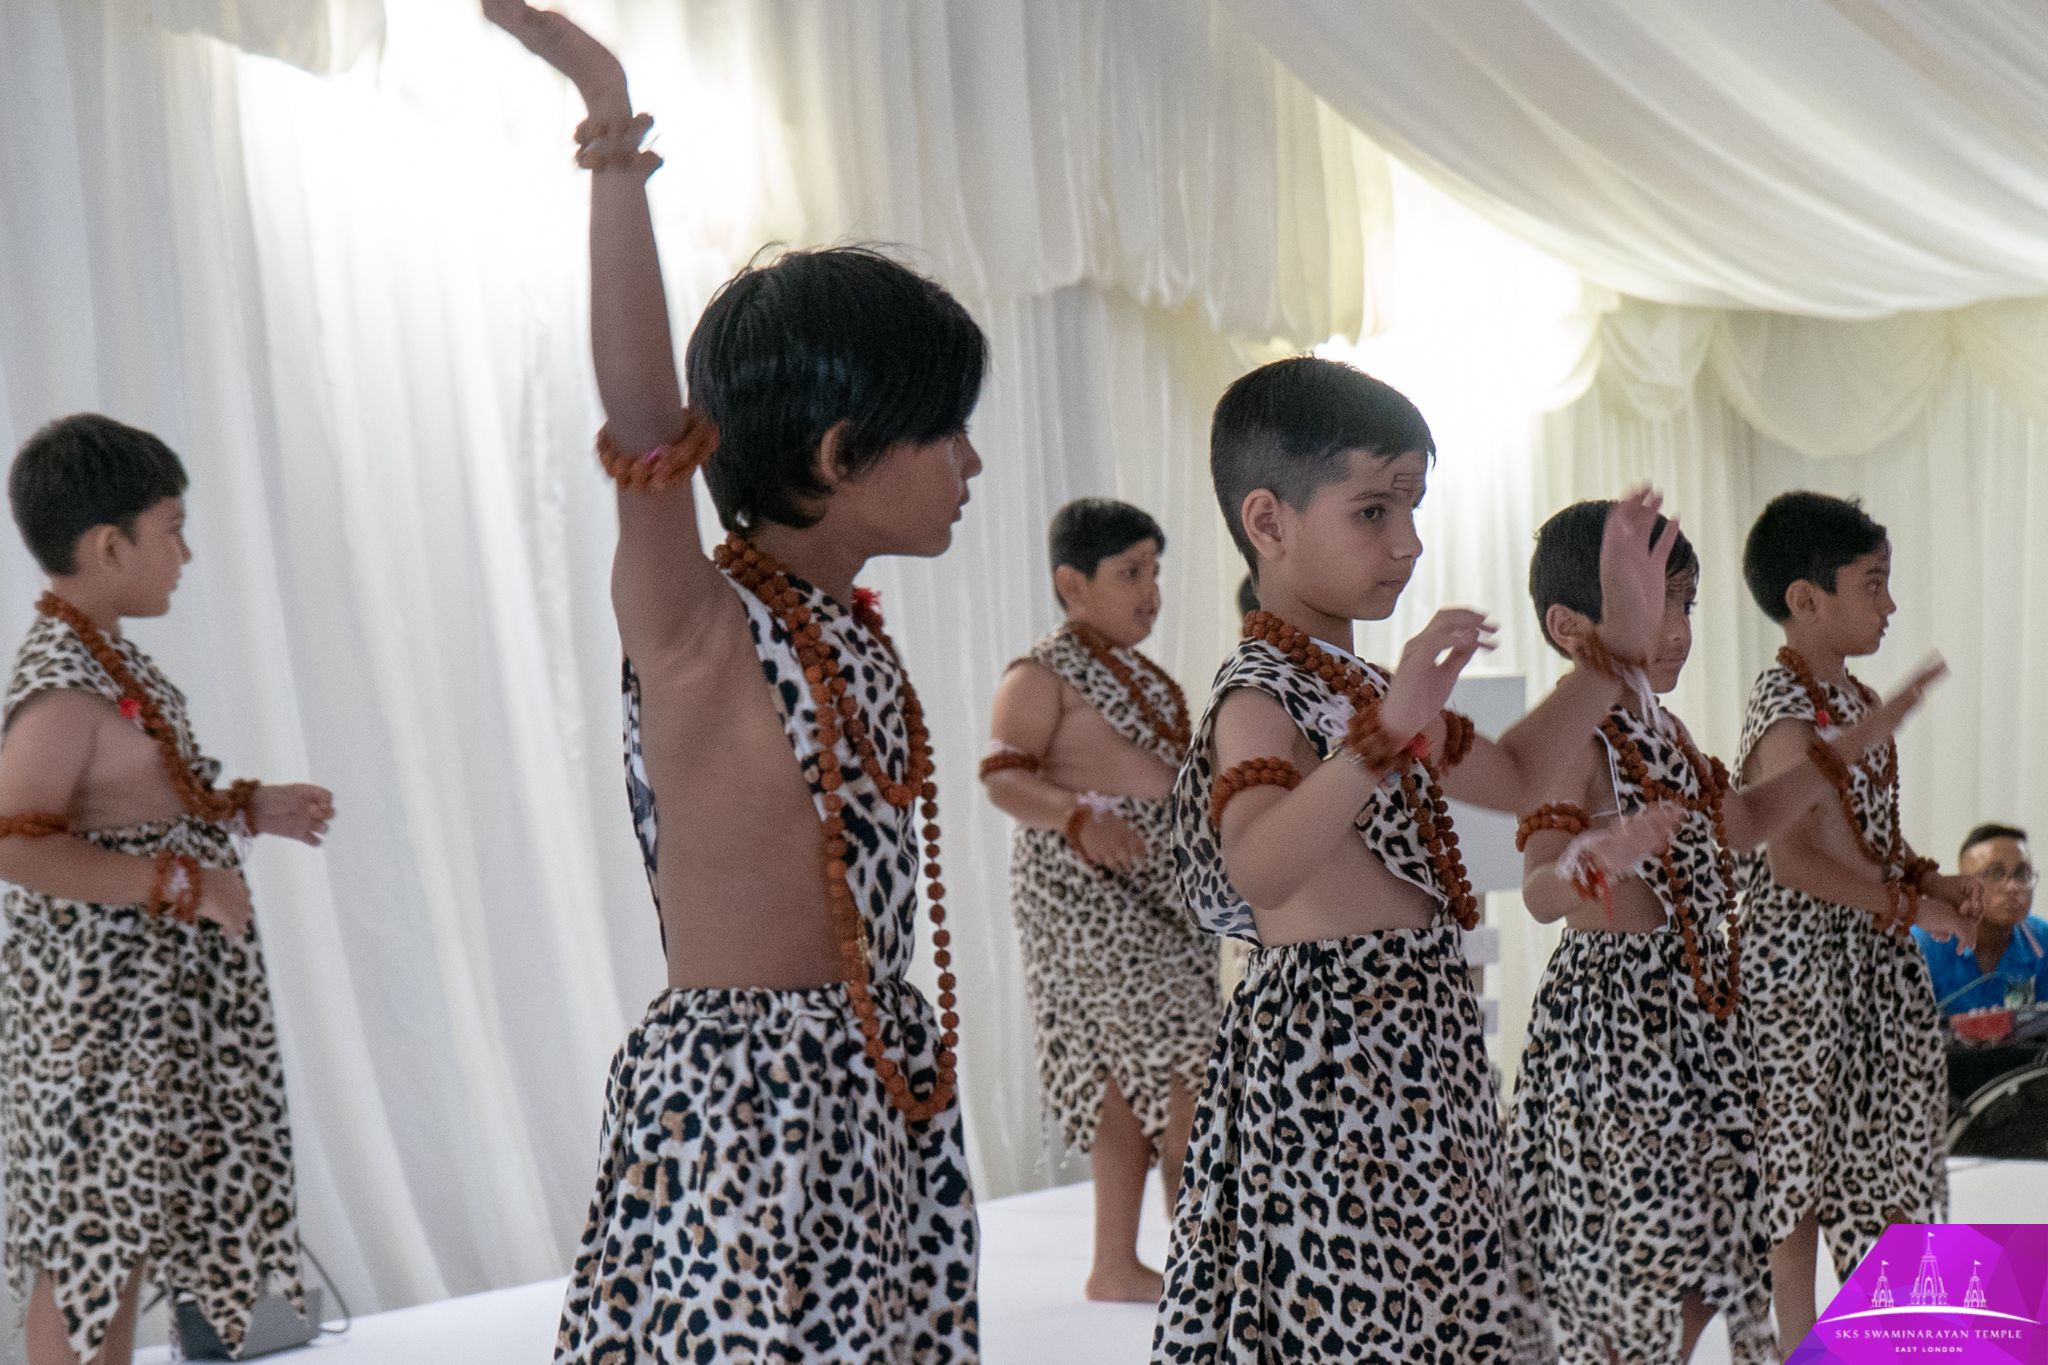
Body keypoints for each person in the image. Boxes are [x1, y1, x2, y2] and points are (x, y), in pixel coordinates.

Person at [485, 5, 986, 1359]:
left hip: (871, 1094)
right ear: (839, 450)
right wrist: (609, 130)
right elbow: (646, 418)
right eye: (948, 434)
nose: (973, 466)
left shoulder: (852, 633)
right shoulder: (699, 622)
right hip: (740, 1112)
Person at [1151, 355, 1677, 1363]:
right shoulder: (1258, 692)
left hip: (1423, 1062)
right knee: (1355, 1333)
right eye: (1371, 511)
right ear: (1267, 522)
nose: (1407, 541)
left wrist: (1613, 642)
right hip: (1327, 1068)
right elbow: (1258, 868)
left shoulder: (1360, 683)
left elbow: (1522, 774)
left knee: (1446, 1327)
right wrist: (1376, 737)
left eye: (1412, 507)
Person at [1511, 499, 1942, 1365]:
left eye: (1685, 604)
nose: (1675, 629)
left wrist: (1858, 740)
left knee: (1716, 1259)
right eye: (1653, 604)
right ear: (1571, 625)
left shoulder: (1662, 727)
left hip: (1695, 1020)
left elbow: (1742, 823)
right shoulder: (1579, 728)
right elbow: (1536, 888)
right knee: (1653, 1266)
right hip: (1621, 1029)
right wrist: (1600, 856)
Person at [0, 414, 330, 1365]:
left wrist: (249, 806)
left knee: (126, 1224)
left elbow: (140, 796)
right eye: (172, 529)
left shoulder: (110, 657)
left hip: (144, 1018)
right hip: (95, 1020)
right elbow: (15, 841)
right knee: (90, 1237)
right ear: (110, 546)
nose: (186, 553)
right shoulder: (63, 682)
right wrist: (179, 883)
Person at [1734, 491, 1982, 1352]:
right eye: (1872, 585)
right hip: (1799, 975)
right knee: (1796, 1180)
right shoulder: (1785, 704)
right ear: (1807, 599)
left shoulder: (1859, 697)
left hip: (1869, 964)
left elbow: (1871, 845)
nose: (1889, 605)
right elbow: (1793, 859)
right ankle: (1799, 1345)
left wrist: (1936, 882)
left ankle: (1892, 1337)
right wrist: (1917, 907)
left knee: (1894, 1162)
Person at [980, 498, 1219, 1303]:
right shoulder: (1039, 672)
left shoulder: (1144, 674)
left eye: (1155, 570)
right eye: (1129, 573)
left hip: (1162, 897)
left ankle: (1116, 1265)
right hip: (1084, 897)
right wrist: (1077, 815)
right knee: (1189, 1060)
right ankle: (1199, 1270)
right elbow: (1003, 777)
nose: (1150, 590)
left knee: (1128, 1075)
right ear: (1071, 584)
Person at [1918, 823, 2048, 1016]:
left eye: (2022, 874)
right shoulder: (1924, 942)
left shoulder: (2041, 941)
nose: (2013, 887)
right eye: (1994, 874)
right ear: (1962, 884)